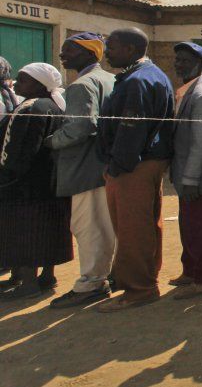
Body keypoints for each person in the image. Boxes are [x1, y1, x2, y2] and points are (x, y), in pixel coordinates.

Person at [97, 28, 174, 312]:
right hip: (145, 161)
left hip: (134, 165)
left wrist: (117, 166)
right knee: (145, 224)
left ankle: (138, 290)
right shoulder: (150, 75)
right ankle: (145, 280)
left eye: (112, 47)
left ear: (130, 49)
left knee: (132, 228)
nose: (107, 53)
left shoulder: (137, 82)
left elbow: (131, 129)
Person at [46, 33, 117, 308]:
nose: (63, 56)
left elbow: (80, 127)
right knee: (103, 225)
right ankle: (103, 276)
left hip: (85, 166)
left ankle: (91, 283)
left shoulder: (82, 85)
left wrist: (50, 142)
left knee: (88, 227)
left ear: (89, 54)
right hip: (103, 164)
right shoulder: (108, 79)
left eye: (69, 51)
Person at [0, 63, 69, 301]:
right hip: (48, 181)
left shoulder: (29, 108)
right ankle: (45, 277)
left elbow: (15, 148)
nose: (16, 84)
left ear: (39, 85)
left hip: (23, 186)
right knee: (46, 230)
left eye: (22, 80)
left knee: (23, 232)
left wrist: (6, 175)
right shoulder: (54, 106)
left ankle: (27, 283)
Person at [168, 42, 202, 299]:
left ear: (200, 64)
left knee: (199, 228)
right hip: (186, 175)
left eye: (185, 61)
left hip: (198, 178)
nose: (179, 64)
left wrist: (190, 179)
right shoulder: (186, 92)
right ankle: (191, 270)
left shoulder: (201, 95)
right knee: (187, 226)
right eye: (177, 59)